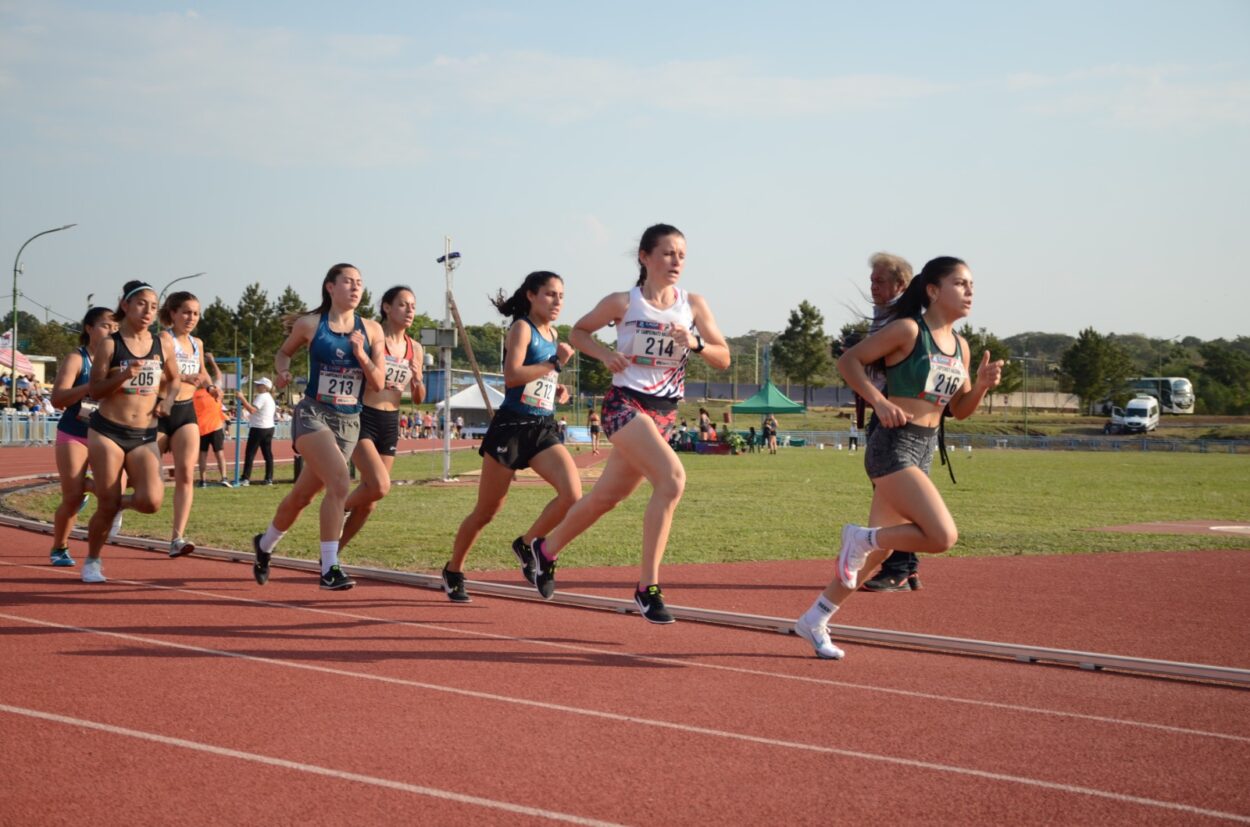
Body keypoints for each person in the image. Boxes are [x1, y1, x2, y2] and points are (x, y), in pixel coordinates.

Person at [793, 256, 1004, 659]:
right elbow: (848, 361)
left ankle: (815, 617)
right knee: (943, 536)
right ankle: (859, 537)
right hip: (893, 445)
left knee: (881, 554)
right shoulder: (908, 330)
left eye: (972, 284)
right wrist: (879, 401)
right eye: (960, 283)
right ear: (932, 290)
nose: (969, 291)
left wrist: (979, 387)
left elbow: (958, 411)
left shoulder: (961, 346)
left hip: (923, 449)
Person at [523, 223, 730, 623]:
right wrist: (604, 355)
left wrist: (697, 344)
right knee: (672, 480)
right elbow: (578, 332)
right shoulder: (624, 302)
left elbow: (723, 356)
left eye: (682, 255)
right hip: (625, 404)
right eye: (668, 253)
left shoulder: (694, 305)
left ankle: (544, 551)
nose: (676, 262)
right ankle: (646, 588)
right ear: (645, 257)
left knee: (606, 498)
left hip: (664, 411)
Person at [442, 270, 579, 603]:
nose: (557, 301)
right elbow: (513, 376)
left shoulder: (553, 332)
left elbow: (540, 379)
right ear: (531, 296)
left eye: (561, 295)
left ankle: (529, 542)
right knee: (486, 511)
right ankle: (454, 569)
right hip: (513, 427)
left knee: (573, 494)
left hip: (543, 426)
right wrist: (553, 365)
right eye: (550, 294)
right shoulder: (522, 329)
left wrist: (555, 388)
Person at [251, 263, 385, 590]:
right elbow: (283, 353)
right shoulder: (311, 324)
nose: (355, 288)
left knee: (302, 497)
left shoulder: (371, 331)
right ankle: (329, 568)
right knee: (339, 482)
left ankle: (264, 545)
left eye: (359, 283)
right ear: (330, 287)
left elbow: (378, 382)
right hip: (313, 414)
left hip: (349, 421)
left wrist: (360, 353)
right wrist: (282, 371)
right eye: (348, 282)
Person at [81, 281, 181, 583]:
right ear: (125, 305)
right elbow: (95, 391)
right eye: (141, 304)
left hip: (144, 434)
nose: (148, 311)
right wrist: (125, 374)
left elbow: (174, 380)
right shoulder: (111, 344)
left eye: (153, 306)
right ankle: (92, 561)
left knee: (151, 501)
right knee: (107, 502)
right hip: (108, 431)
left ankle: (115, 503)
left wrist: (167, 400)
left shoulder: (162, 343)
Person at [338, 285, 426, 554]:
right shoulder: (372, 337)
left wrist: (418, 378)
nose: (410, 310)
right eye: (403, 304)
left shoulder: (416, 348)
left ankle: (331, 554)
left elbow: (420, 398)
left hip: (391, 422)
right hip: (363, 416)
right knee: (378, 485)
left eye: (412, 305)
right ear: (387, 308)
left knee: (373, 499)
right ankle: (337, 507)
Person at [858, 252, 924, 593]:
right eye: (872, 280)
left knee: (894, 497)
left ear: (901, 285)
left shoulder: (903, 320)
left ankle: (898, 566)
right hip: (896, 414)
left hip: (896, 416)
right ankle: (907, 567)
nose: (873, 287)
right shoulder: (886, 315)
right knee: (904, 496)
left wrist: (862, 353)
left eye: (880, 280)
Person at [47, 307, 117, 567]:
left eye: (115, 328)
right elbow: (57, 399)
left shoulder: (117, 360)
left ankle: (87, 489)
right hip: (74, 433)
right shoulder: (77, 358)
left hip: (105, 434)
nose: (111, 331)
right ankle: (59, 546)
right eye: (105, 326)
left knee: (114, 489)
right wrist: (92, 385)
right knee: (72, 497)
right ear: (89, 328)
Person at [156, 291, 212, 557]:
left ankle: (177, 538)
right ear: (173, 313)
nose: (191, 318)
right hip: (158, 412)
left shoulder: (197, 343)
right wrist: (181, 378)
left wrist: (210, 385)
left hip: (186, 412)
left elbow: (202, 372)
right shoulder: (163, 339)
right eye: (187, 312)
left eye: (196, 313)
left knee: (185, 475)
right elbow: (154, 375)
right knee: (146, 480)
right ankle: (119, 506)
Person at [193, 373, 232, 487]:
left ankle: (204, 480)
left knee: (204, 455)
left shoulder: (195, 393)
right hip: (211, 428)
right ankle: (222, 478)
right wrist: (212, 361)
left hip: (206, 428)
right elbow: (219, 375)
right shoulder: (215, 391)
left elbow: (218, 376)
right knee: (217, 454)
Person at [239, 377, 277, 485]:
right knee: (267, 454)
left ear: (265, 387)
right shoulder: (269, 397)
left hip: (259, 428)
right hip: (269, 427)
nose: (257, 386)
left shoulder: (262, 397)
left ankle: (245, 478)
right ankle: (269, 478)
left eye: (259, 385)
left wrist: (242, 398)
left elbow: (251, 410)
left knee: (250, 453)